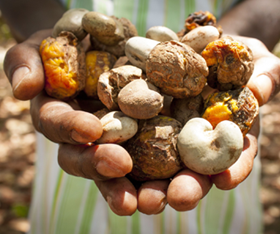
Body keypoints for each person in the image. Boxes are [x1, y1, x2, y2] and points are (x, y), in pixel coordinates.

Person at [1, 0, 280, 233]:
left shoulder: (195, 86)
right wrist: (42, 33)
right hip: (81, 142)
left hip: (217, 202)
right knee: (92, 140)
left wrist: (234, 36)